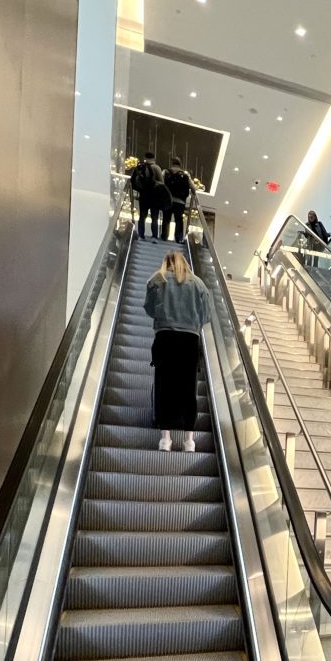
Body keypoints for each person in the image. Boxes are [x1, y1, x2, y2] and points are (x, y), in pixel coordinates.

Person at [144, 250, 211, 451]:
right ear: (185, 263)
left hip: (165, 338)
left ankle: (166, 439)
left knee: (164, 387)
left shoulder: (157, 279)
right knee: (188, 389)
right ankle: (189, 440)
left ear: (167, 262)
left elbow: (148, 308)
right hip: (189, 340)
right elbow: (206, 314)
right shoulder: (198, 283)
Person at [133, 153, 166, 240]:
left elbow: (135, 180)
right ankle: (154, 236)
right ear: (154, 158)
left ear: (145, 158)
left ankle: (141, 235)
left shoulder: (141, 166)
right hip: (154, 196)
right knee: (154, 217)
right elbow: (162, 182)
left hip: (143, 195)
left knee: (142, 216)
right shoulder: (156, 168)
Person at [163, 156, 193, 242]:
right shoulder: (185, 175)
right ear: (180, 165)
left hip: (168, 200)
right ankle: (178, 238)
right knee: (179, 220)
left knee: (166, 219)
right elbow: (193, 188)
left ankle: (164, 236)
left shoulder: (166, 172)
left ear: (172, 164)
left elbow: (161, 183)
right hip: (180, 202)